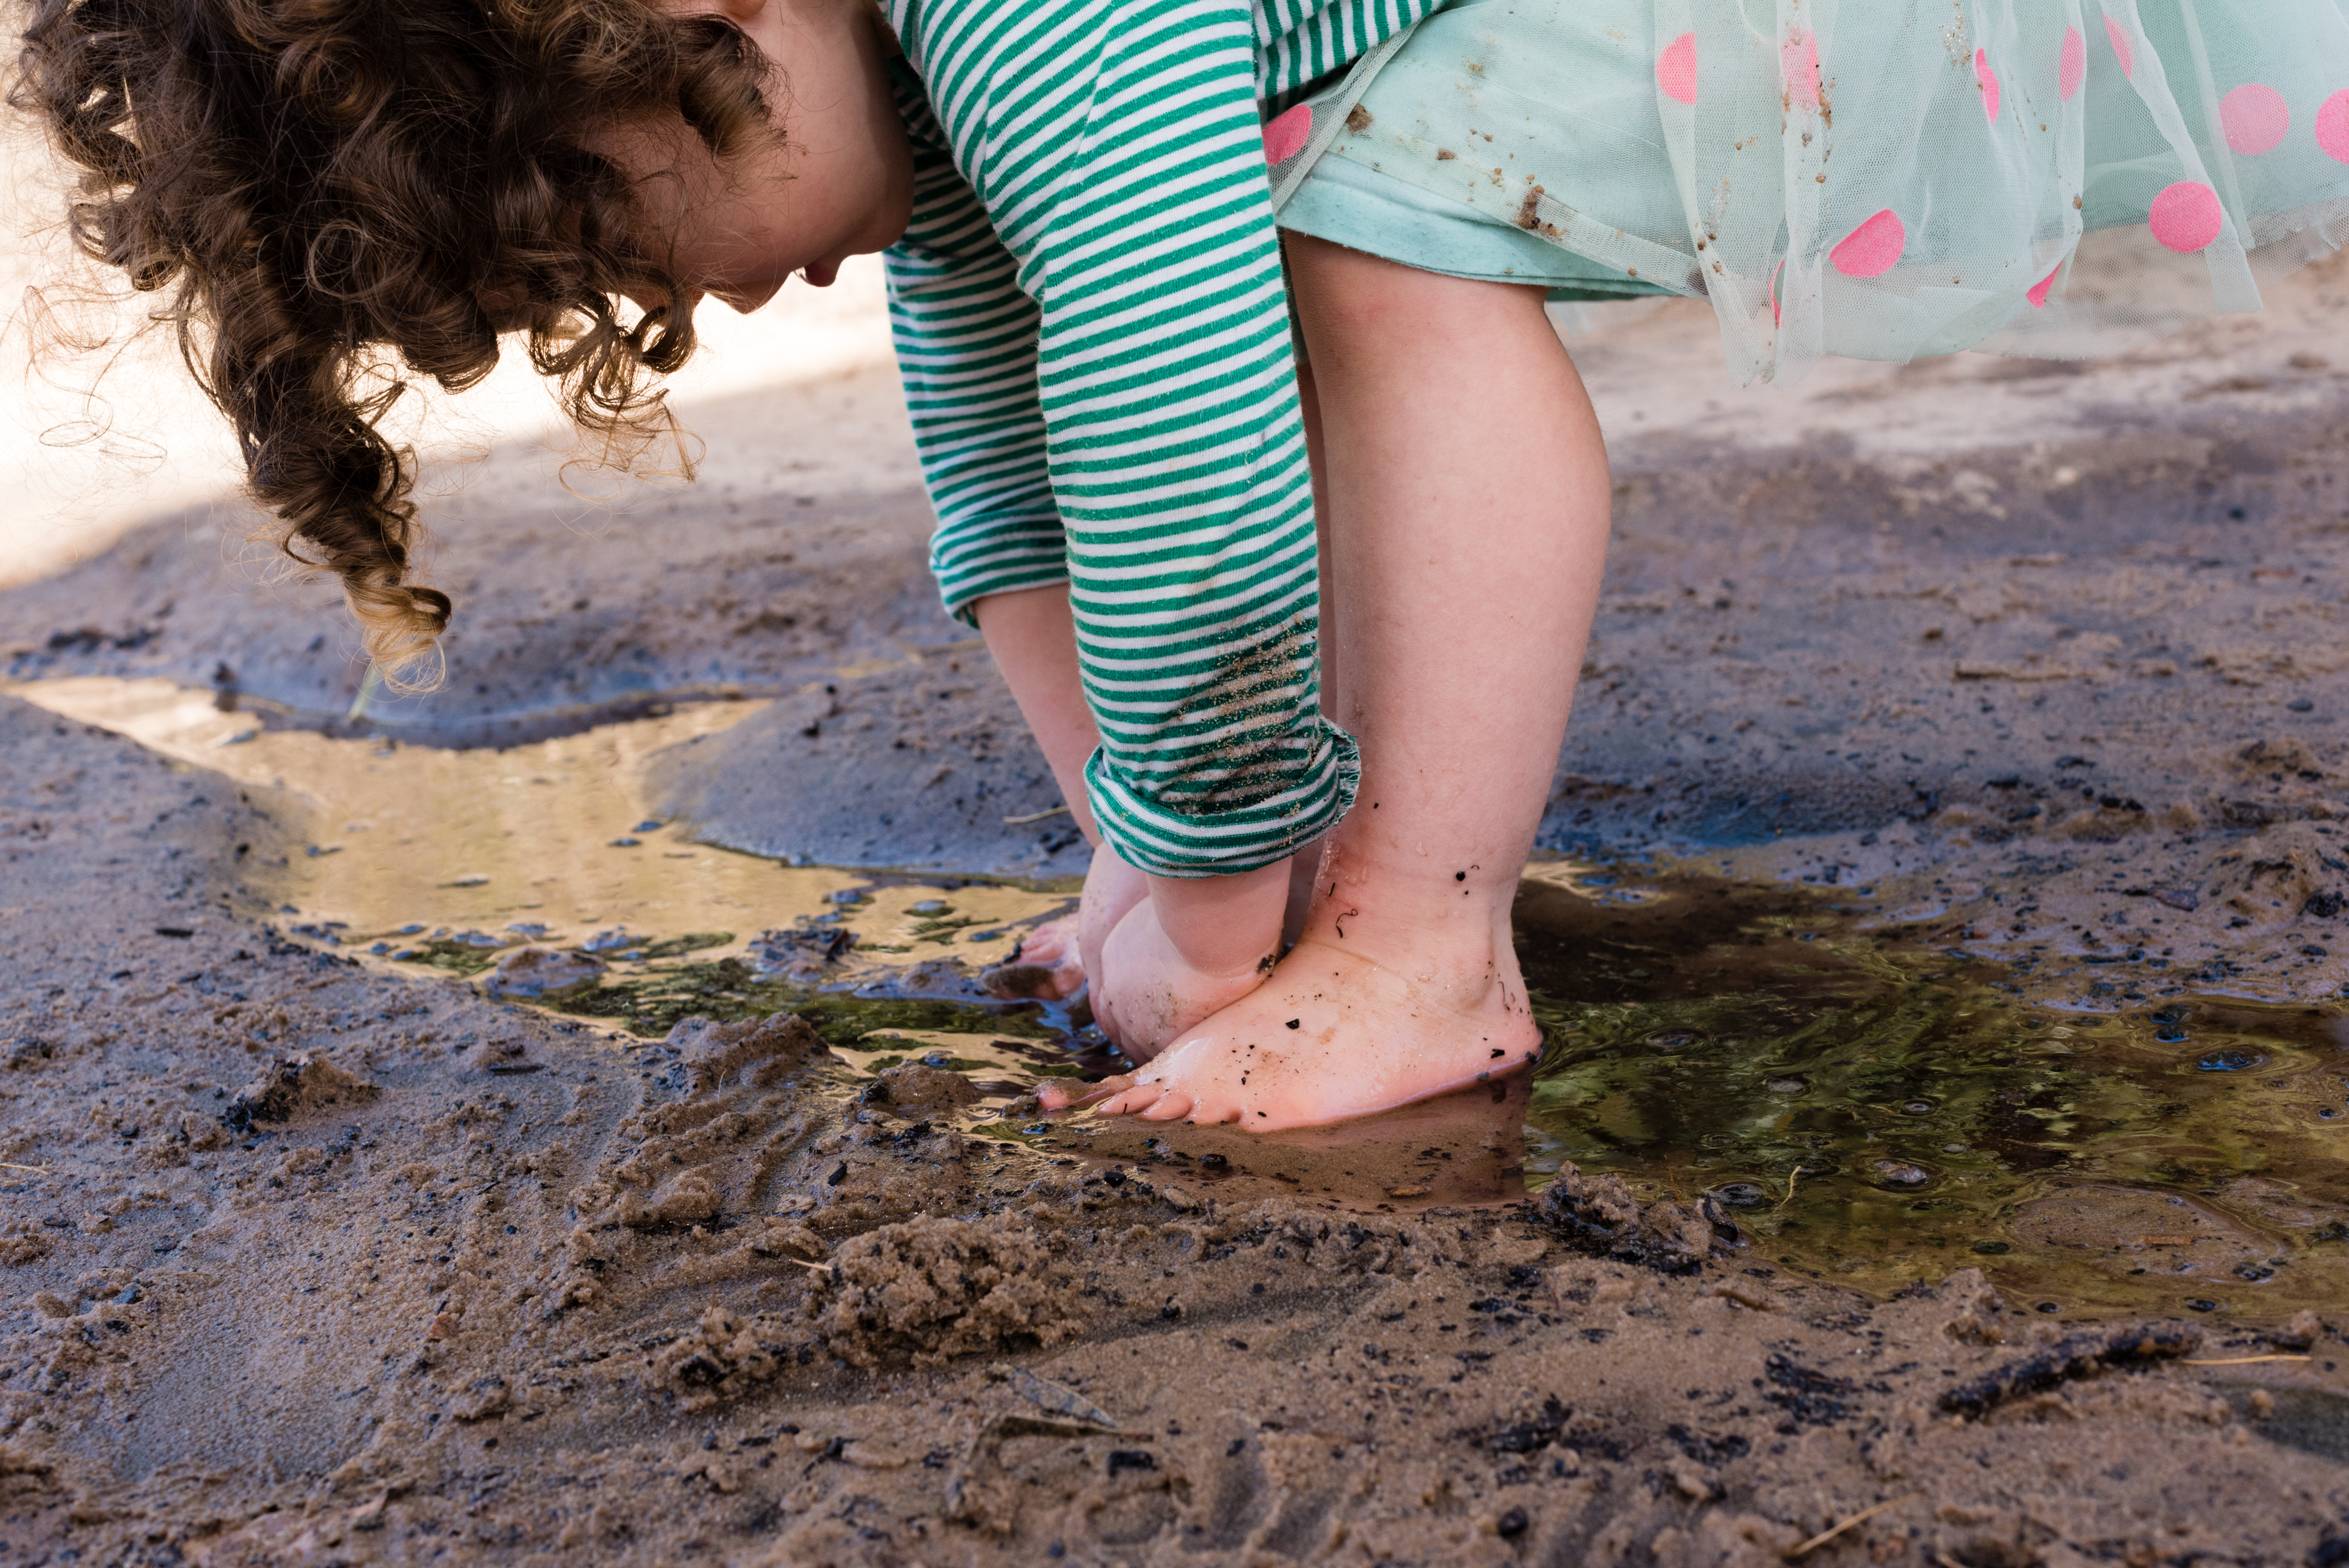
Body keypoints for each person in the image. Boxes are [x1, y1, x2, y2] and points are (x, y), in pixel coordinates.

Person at [19, 0, 2349, 1130]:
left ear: (687, 31)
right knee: (1322, 213)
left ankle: (1428, 954)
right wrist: (1135, 871)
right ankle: (1375, 916)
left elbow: (1175, 439)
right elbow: (1008, 456)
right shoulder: (925, 86)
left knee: (1363, 229)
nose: (673, 319)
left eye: (605, 247)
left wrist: (1233, 910)